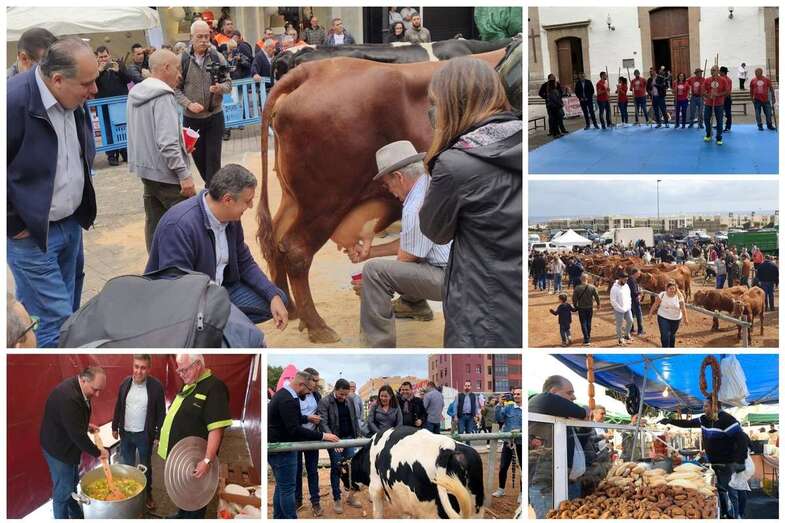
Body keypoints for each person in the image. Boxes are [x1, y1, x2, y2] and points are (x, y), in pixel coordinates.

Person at [420, 57, 522, 348]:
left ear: (451, 105)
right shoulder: (521, 138)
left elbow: (434, 230)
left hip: (481, 312)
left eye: (435, 105)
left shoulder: (455, 164)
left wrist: (436, 158)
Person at [7, 37, 98, 348]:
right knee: (55, 321)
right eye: (87, 83)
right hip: (32, 236)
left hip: (70, 225)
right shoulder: (12, 103)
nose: (94, 90)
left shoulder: (74, 99)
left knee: (68, 313)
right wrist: (13, 223)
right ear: (57, 79)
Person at [146, 164, 289, 332]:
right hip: (187, 303)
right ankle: (216, 328)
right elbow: (176, 288)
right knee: (234, 331)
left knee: (279, 299)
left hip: (220, 291)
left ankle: (221, 323)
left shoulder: (231, 218)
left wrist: (272, 294)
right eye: (247, 201)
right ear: (227, 200)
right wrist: (218, 310)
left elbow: (245, 262)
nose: (250, 206)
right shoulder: (179, 226)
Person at [347, 142, 450, 347]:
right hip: (461, 270)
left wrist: (369, 284)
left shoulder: (414, 206)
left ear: (399, 177)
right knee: (392, 264)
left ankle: (377, 345)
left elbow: (404, 261)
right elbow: (412, 242)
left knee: (374, 273)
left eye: (387, 184)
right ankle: (414, 305)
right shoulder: (430, 184)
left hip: (449, 278)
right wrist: (371, 251)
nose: (390, 191)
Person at [127, 49, 196, 252]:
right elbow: (166, 143)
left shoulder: (135, 93)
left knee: (155, 225)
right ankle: (191, 273)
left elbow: (146, 132)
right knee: (190, 223)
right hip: (167, 175)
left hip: (147, 171)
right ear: (166, 68)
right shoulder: (163, 95)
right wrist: (184, 175)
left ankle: (155, 274)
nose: (180, 74)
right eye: (177, 68)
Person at [157, 354, 231, 518]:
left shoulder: (215, 387)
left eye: (184, 369)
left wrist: (206, 460)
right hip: (182, 456)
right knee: (184, 489)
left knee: (196, 497)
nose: (181, 374)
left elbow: (216, 429)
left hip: (196, 458)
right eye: (179, 370)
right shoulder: (189, 384)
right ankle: (181, 514)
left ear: (197, 364)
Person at [269, 371, 339, 519]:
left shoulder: (284, 395)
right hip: (283, 450)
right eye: (308, 389)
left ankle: (279, 517)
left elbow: (290, 418)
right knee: (288, 490)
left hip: (277, 448)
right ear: (301, 384)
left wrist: (306, 418)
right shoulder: (288, 399)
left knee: (281, 488)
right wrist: (323, 435)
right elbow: (294, 429)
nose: (309, 393)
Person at [660, 400, 747, 518]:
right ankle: (725, 513)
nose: (703, 408)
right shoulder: (704, 419)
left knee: (731, 491)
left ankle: (736, 516)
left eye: (706, 406)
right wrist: (670, 421)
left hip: (728, 464)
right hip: (714, 463)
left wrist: (740, 461)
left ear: (715, 406)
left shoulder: (727, 420)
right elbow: (688, 423)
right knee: (720, 491)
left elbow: (742, 440)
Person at [40, 367, 108, 519]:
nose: (97, 395)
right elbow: (78, 437)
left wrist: (86, 425)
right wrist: (99, 452)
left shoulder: (80, 388)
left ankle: (76, 516)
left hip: (67, 444)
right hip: (58, 449)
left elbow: (72, 420)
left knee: (71, 483)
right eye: (95, 390)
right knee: (63, 490)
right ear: (84, 380)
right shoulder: (69, 398)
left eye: (100, 390)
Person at [175, 20, 232, 186]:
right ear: (191, 38)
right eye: (199, 37)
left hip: (214, 116)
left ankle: (213, 194)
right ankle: (213, 190)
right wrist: (188, 104)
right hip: (192, 120)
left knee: (213, 160)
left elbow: (229, 84)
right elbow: (175, 90)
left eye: (207, 36)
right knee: (199, 160)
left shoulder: (217, 56)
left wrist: (219, 88)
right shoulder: (182, 60)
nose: (204, 40)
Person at [111, 355, 166, 511]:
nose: (139, 371)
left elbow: (161, 413)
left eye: (143, 367)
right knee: (126, 466)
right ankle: (128, 496)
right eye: (136, 366)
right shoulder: (125, 383)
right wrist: (115, 426)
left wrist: (158, 435)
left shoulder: (156, 387)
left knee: (145, 467)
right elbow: (118, 406)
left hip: (144, 435)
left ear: (148, 369)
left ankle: (147, 495)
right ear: (132, 366)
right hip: (126, 434)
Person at [529, 376, 590, 515]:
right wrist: (584, 412)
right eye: (569, 393)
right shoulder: (539, 401)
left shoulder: (562, 418)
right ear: (554, 391)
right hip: (546, 487)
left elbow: (580, 446)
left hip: (571, 482)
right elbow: (547, 398)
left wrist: (585, 426)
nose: (574, 397)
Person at [318, 379, 364, 514]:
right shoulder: (325, 402)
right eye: (341, 394)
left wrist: (357, 435)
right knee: (336, 469)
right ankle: (337, 498)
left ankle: (351, 497)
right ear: (335, 389)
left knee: (350, 468)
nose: (343, 397)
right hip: (334, 440)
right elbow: (323, 423)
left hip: (349, 439)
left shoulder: (349, 400)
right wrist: (333, 440)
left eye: (346, 394)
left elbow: (354, 419)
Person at [95, 45, 132, 166]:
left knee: (123, 128)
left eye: (105, 56)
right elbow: (92, 84)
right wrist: (99, 71)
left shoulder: (118, 65)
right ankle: (111, 155)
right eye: (101, 57)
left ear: (109, 55)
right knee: (107, 130)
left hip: (120, 104)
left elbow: (128, 80)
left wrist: (119, 71)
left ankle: (126, 152)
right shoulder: (94, 70)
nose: (104, 59)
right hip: (104, 106)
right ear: (97, 58)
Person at [294, 368, 322, 516]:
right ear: (306, 381)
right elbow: (291, 418)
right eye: (314, 381)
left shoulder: (317, 395)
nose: (316, 384)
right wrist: (307, 418)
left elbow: (321, 412)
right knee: (297, 471)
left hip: (312, 437)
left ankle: (315, 501)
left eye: (318, 381)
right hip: (297, 437)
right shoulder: (295, 395)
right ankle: (297, 500)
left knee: (312, 471)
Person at [492, 389, 522, 501]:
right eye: (514, 394)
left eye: (518, 394)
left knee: (522, 469)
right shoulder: (508, 408)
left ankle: (522, 493)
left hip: (521, 443)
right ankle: (501, 489)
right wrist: (499, 404)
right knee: (503, 466)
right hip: (508, 442)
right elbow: (498, 419)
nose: (516, 396)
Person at [649, 280, 688, 347]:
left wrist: (685, 318)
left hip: (676, 318)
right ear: (666, 288)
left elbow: (683, 308)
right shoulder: (662, 295)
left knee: (672, 335)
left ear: (676, 289)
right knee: (664, 335)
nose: (672, 290)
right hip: (663, 316)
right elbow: (655, 304)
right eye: (670, 289)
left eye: (673, 289)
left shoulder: (679, 296)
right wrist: (650, 313)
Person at [572, 273, 600, 345]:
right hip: (590, 307)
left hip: (581, 308)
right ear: (587, 279)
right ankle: (588, 336)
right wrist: (598, 304)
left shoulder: (577, 288)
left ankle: (586, 339)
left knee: (583, 323)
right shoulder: (592, 287)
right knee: (589, 322)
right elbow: (597, 296)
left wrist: (575, 306)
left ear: (581, 279)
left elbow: (574, 299)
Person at [703, 66, 728, 145]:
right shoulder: (707, 80)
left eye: (713, 70)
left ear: (718, 71)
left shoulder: (723, 80)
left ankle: (719, 137)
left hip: (719, 104)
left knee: (719, 121)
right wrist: (708, 96)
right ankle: (708, 133)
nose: (712, 71)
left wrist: (718, 94)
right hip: (708, 103)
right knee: (706, 119)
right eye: (711, 70)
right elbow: (703, 91)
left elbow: (727, 91)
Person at [538, 73, 568, 138]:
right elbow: (540, 93)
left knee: (559, 117)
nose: (554, 78)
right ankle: (553, 132)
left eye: (554, 77)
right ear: (549, 78)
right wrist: (546, 97)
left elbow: (560, 93)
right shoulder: (546, 85)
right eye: (553, 77)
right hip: (551, 105)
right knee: (552, 118)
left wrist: (561, 96)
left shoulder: (557, 84)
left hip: (557, 104)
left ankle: (560, 130)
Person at [610, 272, 633, 345]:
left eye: (627, 280)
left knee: (630, 321)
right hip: (618, 310)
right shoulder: (614, 288)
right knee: (619, 325)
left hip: (627, 308)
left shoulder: (626, 286)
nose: (626, 281)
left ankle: (627, 334)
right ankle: (620, 338)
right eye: (625, 280)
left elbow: (629, 296)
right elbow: (613, 301)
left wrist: (629, 305)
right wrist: (620, 309)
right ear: (620, 278)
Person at [628, 267, 645, 336]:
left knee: (631, 314)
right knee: (639, 315)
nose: (639, 274)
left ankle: (631, 329)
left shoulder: (630, 279)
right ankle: (640, 331)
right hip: (634, 300)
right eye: (638, 273)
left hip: (631, 300)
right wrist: (640, 292)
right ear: (635, 273)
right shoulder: (632, 280)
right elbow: (634, 292)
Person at [720, 66, 734, 132]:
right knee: (719, 113)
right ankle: (719, 125)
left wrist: (723, 97)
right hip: (720, 98)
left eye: (720, 72)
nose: (719, 73)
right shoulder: (718, 79)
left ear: (722, 72)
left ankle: (728, 127)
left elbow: (728, 91)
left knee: (728, 113)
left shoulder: (728, 80)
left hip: (726, 98)